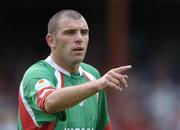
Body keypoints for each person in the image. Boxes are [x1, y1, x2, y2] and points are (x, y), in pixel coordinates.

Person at [17, 9, 132, 130]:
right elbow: (50, 102)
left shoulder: (93, 76)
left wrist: (97, 83)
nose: (79, 38)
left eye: (84, 32)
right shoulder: (37, 74)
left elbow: (102, 127)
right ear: (51, 41)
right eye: (70, 32)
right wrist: (97, 85)